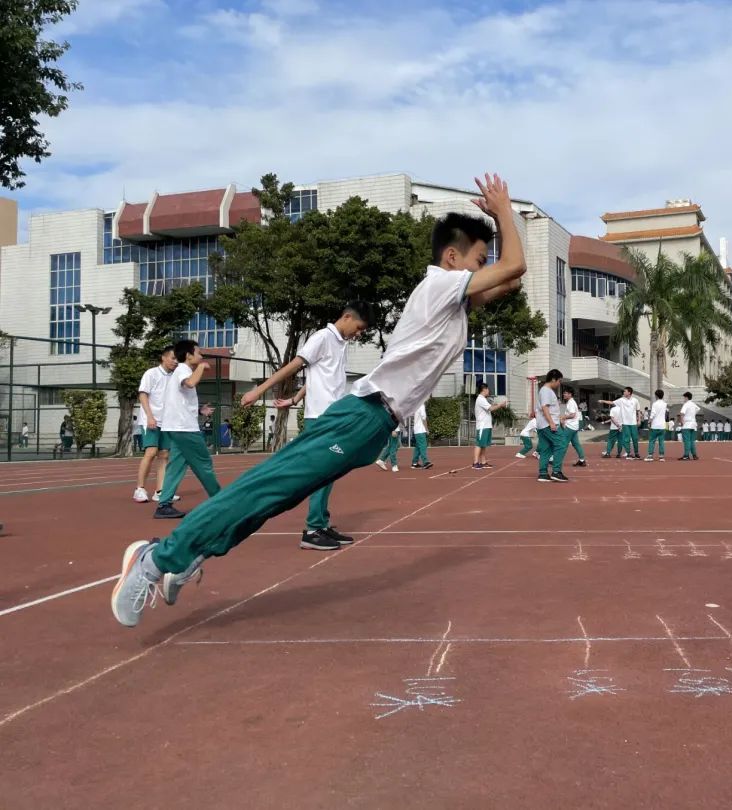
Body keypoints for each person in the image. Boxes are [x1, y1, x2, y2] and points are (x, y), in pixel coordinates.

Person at [111, 174, 528, 627]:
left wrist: (500, 228)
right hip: (360, 416)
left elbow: (511, 280)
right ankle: (155, 559)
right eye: (478, 259)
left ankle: (190, 553)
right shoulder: (439, 286)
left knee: (280, 497)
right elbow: (514, 267)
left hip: (375, 425)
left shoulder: (455, 304)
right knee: (268, 486)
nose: (484, 268)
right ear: (452, 258)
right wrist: (503, 211)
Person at [240, 303, 370, 550]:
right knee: (321, 472)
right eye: (359, 328)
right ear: (347, 317)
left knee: (331, 472)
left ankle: (320, 524)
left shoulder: (340, 343)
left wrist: (294, 400)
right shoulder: (322, 337)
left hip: (334, 416)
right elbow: (294, 365)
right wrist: (259, 391)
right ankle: (312, 530)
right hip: (320, 419)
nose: (358, 334)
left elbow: (317, 377)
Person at [152, 339, 222, 519]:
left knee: (176, 466)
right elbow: (190, 383)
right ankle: (221, 501)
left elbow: (181, 399)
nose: (201, 356)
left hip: (177, 427)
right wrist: (202, 367)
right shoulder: (183, 369)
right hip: (184, 428)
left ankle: (164, 505)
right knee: (204, 463)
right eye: (198, 353)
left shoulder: (180, 371)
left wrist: (199, 410)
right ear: (189, 355)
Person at [133, 347, 178, 504]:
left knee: (164, 455)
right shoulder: (151, 373)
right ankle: (139, 489)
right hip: (150, 420)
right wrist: (150, 417)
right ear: (163, 357)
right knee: (151, 452)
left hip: (166, 422)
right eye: (173, 358)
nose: (175, 361)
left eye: (177, 359)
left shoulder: (175, 377)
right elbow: (143, 395)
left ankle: (160, 491)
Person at [536, 368, 570, 482]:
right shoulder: (546, 391)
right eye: (559, 381)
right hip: (548, 424)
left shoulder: (544, 390)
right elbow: (545, 407)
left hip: (542, 424)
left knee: (546, 449)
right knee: (562, 444)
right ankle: (556, 471)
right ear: (553, 379)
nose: (559, 383)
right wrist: (551, 423)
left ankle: (543, 473)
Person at [473, 383, 508, 470]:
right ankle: (475, 463)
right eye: (488, 389)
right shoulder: (480, 399)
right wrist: (500, 405)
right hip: (482, 425)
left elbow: (490, 407)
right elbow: (491, 408)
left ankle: (483, 462)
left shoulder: (483, 399)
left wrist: (498, 405)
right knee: (479, 444)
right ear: (484, 389)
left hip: (486, 425)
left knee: (483, 444)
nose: (489, 391)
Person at [600, 388, 640, 460]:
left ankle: (635, 453)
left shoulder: (635, 400)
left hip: (626, 424)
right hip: (624, 424)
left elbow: (638, 411)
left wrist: (639, 420)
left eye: (625, 391)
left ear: (629, 392)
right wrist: (603, 401)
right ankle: (624, 453)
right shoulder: (621, 401)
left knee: (633, 439)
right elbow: (612, 403)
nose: (623, 392)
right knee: (624, 440)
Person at [560, 385, 587, 467]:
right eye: (564, 393)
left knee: (563, 444)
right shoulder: (571, 402)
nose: (564, 394)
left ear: (570, 394)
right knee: (576, 444)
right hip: (574, 427)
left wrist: (563, 417)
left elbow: (572, 415)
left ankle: (557, 460)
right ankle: (582, 460)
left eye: (565, 393)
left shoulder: (571, 403)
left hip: (570, 427)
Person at [645, 389, 668, 462]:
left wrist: (649, 421)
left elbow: (653, 414)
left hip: (655, 425)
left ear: (656, 396)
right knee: (661, 441)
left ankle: (650, 455)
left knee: (652, 441)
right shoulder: (665, 404)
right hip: (662, 425)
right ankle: (661, 456)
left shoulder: (655, 404)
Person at [678, 391, 700, 461]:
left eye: (684, 397)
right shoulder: (693, 404)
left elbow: (682, 413)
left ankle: (686, 455)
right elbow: (698, 409)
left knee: (687, 441)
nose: (683, 399)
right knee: (692, 441)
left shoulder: (686, 404)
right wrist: (693, 414)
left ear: (686, 397)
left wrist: (682, 422)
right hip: (693, 424)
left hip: (687, 424)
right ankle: (694, 455)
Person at [411, 402, 433, 468]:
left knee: (418, 447)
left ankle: (414, 463)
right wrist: (426, 429)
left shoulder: (416, 405)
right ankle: (425, 462)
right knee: (423, 446)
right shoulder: (421, 405)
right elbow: (424, 418)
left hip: (417, 429)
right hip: (420, 429)